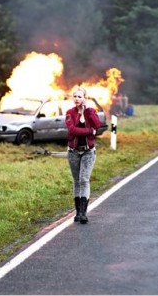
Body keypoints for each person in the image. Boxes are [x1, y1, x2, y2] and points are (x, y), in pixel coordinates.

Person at [65, 87, 101, 224]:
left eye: (79, 96)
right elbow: (72, 130)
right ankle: (77, 212)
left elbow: (97, 125)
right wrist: (89, 131)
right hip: (73, 151)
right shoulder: (69, 113)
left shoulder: (91, 111)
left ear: (85, 98)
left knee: (84, 179)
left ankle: (82, 213)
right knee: (76, 181)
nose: (76, 99)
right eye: (74, 96)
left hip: (88, 151)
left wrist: (87, 112)